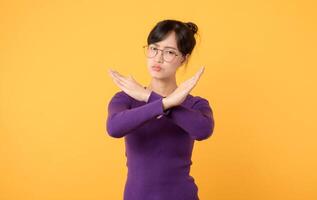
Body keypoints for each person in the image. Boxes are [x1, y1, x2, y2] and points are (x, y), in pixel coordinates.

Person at [106, 19, 215, 200]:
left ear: (183, 59)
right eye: (154, 48)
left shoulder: (195, 104)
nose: (158, 58)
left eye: (169, 52)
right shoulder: (126, 98)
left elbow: (203, 130)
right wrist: (163, 103)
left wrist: (149, 97)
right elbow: (114, 128)